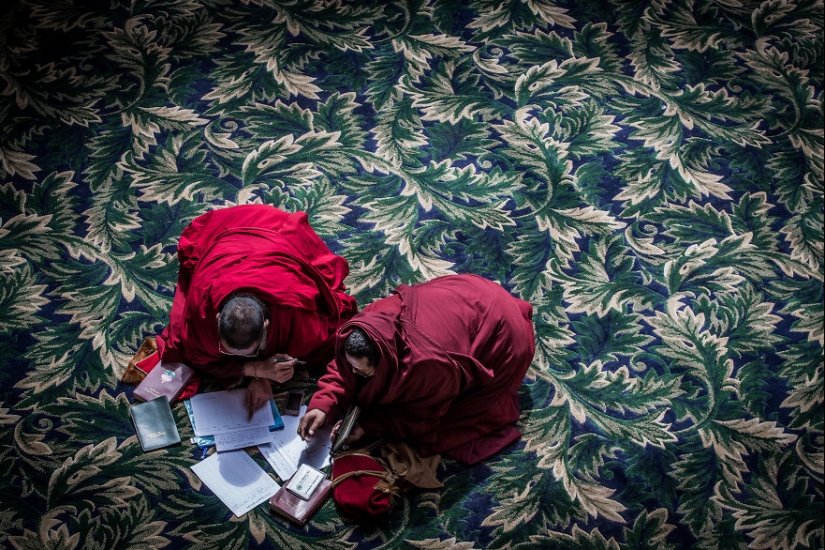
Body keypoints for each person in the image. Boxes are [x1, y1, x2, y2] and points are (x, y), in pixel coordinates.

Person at [297, 274, 535, 465]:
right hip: (466, 294)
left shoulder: (426, 368)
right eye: (352, 367)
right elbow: (343, 367)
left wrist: (367, 426)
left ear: (386, 362)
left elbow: (418, 418)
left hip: (505, 338)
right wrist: (323, 403)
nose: (354, 374)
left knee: (455, 419)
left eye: (362, 372)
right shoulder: (370, 320)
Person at [155, 204, 358, 416]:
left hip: (271, 234)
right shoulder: (203, 306)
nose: (239, 358)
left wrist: (272, 368)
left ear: (266, 325)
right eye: (226, 351)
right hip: (228, 238)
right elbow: (195, 354)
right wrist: (256, 370)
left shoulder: (292, 310)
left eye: (251, 352)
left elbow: (341, 332)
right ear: (217, 318)